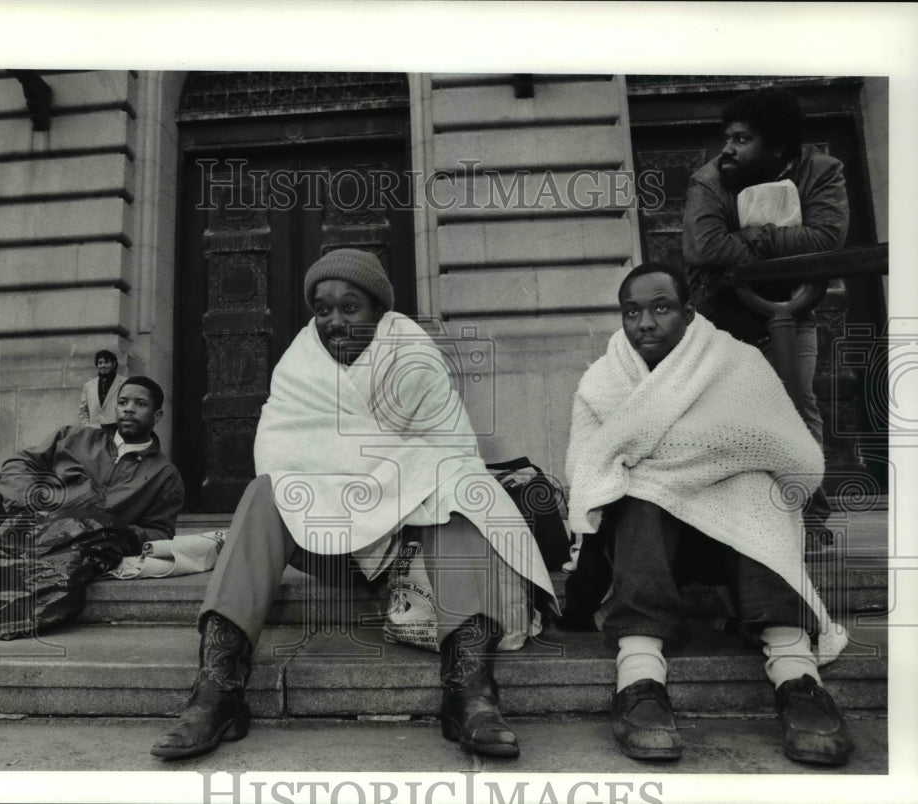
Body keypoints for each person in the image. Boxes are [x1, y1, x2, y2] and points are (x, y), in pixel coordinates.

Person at [151, 249, 556, 762]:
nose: (335, 322)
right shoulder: (299, 365)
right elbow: (281, 452)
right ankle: (216, 690)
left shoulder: (413, 356)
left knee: (458, 487)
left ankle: (469, 692)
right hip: (334, 544)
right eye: (322, 310)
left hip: (411, 553)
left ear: (379, 310)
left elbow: (450, 452)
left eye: (350, 307)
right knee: (265, 491)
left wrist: (388, 483)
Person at [564, 262, 852, 766]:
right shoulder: (602, 380)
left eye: (661, 308)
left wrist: (710, 464)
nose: (645, 323)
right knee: (637, 490)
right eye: (632, 312)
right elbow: (590, 474)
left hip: (732, 537)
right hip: (648, 540)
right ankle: (639, 678)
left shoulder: (735, 361)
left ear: (688, 313)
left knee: (751, 484)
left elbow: (790, 459)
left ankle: (796, 676)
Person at [682, 86, 850, 538]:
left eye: (741, 139)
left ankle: (807, 518)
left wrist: (754, 239)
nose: (728, 148)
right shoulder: (710, 180)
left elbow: (826, 240)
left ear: (777, 146)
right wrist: (774, 241)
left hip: (794, 313)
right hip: (723, 318)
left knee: (797, 408)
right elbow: (704, 246)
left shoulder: (821, 172)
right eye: (728, 137)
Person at [0, 376, 184, 555]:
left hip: (62, 535)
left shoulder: (164, 475)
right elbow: (21, 462)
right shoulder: (75, 436)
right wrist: (27, 497)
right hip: (28, 506)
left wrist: (113, 531)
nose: (129, 409)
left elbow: (160, 532)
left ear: (157, 416)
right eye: (123, 402)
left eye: (140, 404)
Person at [79, 349, 127, 427]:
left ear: (114, 364)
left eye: (106, 362)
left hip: (117, 430)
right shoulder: (89, 385)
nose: (103, 365)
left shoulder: (125, 383)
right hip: (94, 431)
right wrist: (87, 425)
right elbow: (83, 410)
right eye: (100, 363)